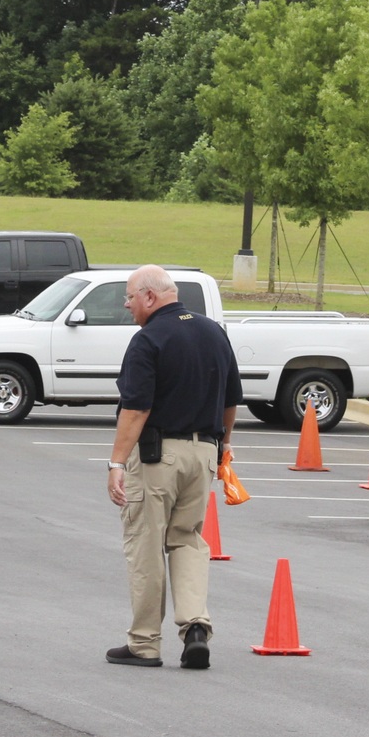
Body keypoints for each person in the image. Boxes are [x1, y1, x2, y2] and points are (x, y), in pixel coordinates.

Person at [105, 265, 240, 670]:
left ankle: (145, 643)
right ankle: (195, 627)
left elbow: (136, 408)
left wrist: (115, 463)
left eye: (129, 297)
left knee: (146, 544)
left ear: (149, 296)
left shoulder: (148, 339)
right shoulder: (214, 332)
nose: (127, 305)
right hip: (204, 454)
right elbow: (232, 397)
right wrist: (224, 445)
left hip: (155, 457)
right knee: (187, 540)